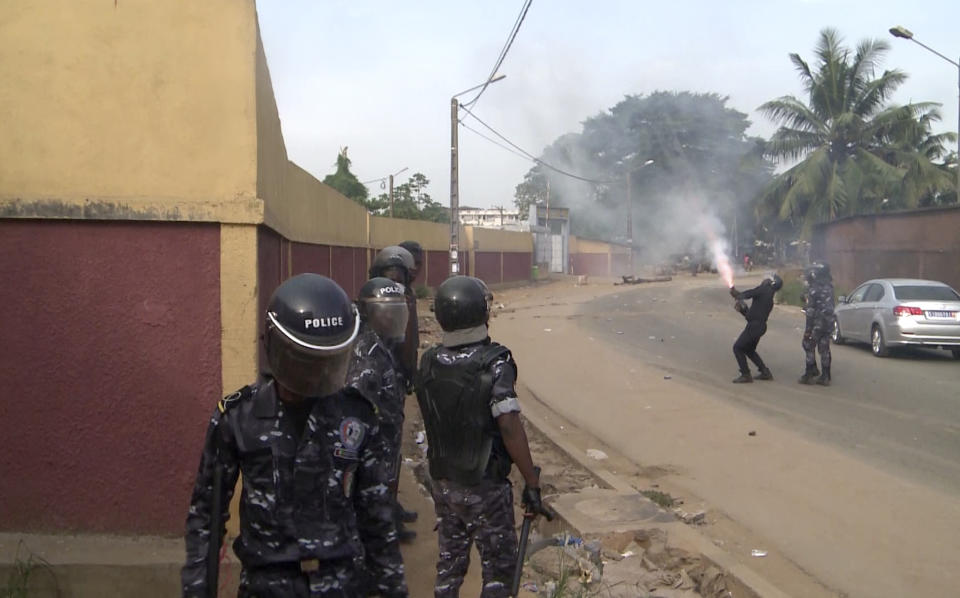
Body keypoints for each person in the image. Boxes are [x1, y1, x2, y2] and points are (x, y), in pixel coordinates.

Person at [181, 273, 407, 598]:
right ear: (275, 349)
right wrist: (197, 590)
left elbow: (377, 517)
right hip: (267, 584)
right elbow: (205, 516)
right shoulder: (238, 418)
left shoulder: (356, 416)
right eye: (306, 362)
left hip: (341, 583)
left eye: (326, 362)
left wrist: (392, 589)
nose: (317, 374)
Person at [415, 276, 551, 598]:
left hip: (443, 482)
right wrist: (531, 481)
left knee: (449, 565)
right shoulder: (496, 362)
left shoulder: (429, 360)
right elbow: (508, 426)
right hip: (485, 487)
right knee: (498, 573)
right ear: (481, 313)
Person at [346, 276, 416, 544]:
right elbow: (356, 406)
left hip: (387, 442)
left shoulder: (382, 345)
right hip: (375, 444)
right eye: (384, 313)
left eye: (394, 313)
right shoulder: (366, 354)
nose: (391, 319)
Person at [728, 273, 782, 383]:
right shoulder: (768, 295)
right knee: (749, 350)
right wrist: (743, 310)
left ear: (771, 283)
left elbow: (750, 293)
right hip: (758, 326)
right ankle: (765, 372)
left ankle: (745, 374)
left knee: (737, 348)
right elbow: (752, 316)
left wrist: (738, 294)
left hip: (755, 327)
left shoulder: (764, 290)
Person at [799, 262, 835, 386]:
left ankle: (810, 373)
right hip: (829, 322)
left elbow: (810, 311)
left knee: (808, 344)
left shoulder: (814, 289)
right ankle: (826, 376)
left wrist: (808, 330)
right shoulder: (829, 286)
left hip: (818, 323)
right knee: (824, 348)